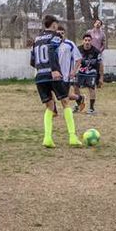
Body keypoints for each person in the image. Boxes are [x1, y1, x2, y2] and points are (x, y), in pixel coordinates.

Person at [30, 15, 82, 148]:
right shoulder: (55, 37)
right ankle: (72, 137)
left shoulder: (36, 39)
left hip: (40, 76)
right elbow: (52, 51)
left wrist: (41, 69)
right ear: (54, 25)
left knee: (49, 107)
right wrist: (54, 69)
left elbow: (32, 61)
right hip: (52, 75)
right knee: (65, 102)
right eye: (56, 25)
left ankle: (47, 138)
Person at [57, 25, 84, 112]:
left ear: (64, 34)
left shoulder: (69, 44)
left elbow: (78, 59)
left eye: (62, 33)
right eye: (58, 33)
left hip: (66, 75)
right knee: (62, 94)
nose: (60, 35)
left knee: (64, 95)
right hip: (56, 74)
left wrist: (73, 71)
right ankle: (79, 98)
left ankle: (66, 111)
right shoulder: (53, 45)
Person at [77, 33, 102, 114]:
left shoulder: (96, 51)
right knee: (75, 87)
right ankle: (79, 102)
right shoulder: (78, 49)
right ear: (83, 41)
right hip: (80, 72)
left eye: (89, 40)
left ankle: (91, 108)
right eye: (85, 40)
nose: (87, 42)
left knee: (91, 88)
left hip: (92, 72)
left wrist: (101, 77)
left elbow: (101, 64)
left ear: (91, 41)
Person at [89, 19, 107, 87]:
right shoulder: (89, 32)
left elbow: (103, 44)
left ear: (101, 25)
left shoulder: (102, 34)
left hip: (99, 52)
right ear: (94, 24)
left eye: (99, 23)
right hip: (90, 52)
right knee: (89, 66)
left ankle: (99, 81)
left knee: (99, 67)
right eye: (96, 22)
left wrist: (100, 51)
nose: (97, 24)